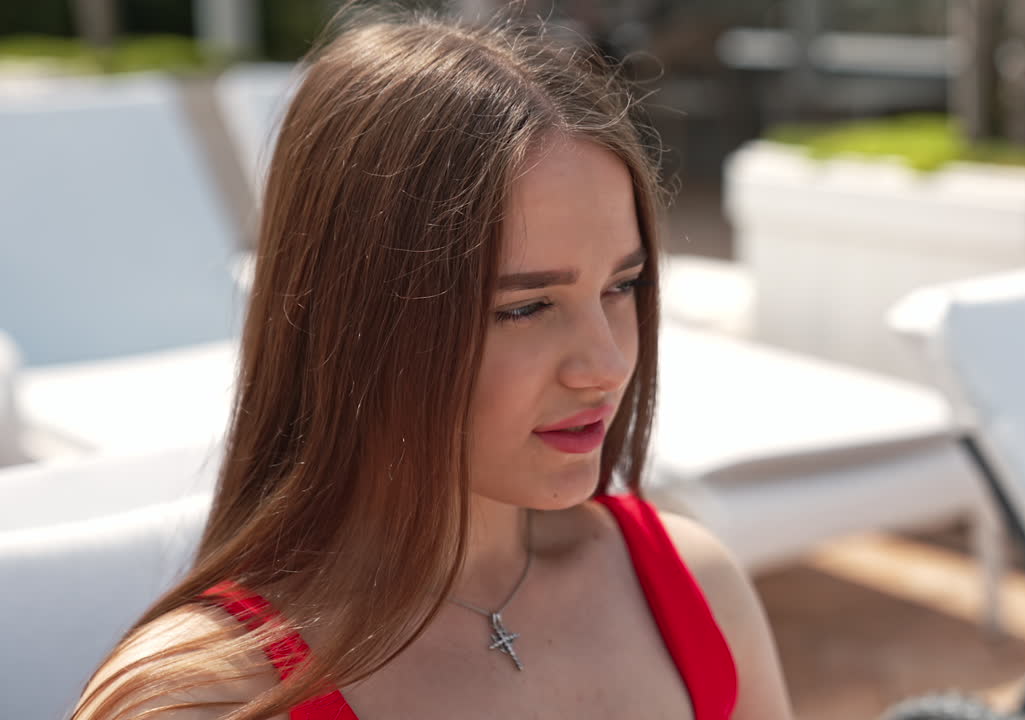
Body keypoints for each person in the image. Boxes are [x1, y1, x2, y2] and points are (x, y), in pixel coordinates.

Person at [74, 5, 792, 720]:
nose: (604, 365)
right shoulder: (202, 698)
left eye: (622, 286)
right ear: (358, 320)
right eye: (525, 307)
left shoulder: (694, 584)